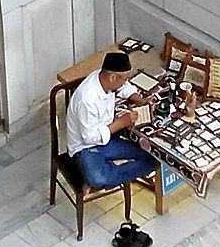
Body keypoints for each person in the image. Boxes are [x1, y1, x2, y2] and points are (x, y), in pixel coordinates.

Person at [67, 51, 159, 190]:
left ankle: (111, 169)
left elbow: (124, 87)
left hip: (107, 138)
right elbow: (89, 138)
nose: (126, 82)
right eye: (124, 79)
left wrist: (141, 100)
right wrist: (121, 123)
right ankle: (109, 170)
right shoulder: (87, 100)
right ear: (113, 77)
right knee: (97, 179)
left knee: (153, 158)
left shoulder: (105, 78)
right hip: (85, 148)